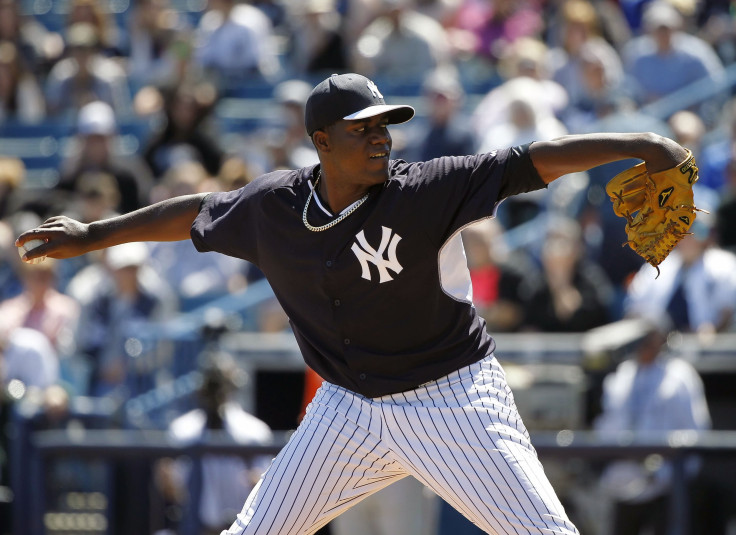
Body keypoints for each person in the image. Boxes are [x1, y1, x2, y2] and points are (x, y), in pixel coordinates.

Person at [16, 72, 694, 535]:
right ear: (321, 143)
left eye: (386, 126)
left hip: (451, 398)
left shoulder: (426, 188)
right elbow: (196, 212)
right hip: (346, 408)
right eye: (363, 128)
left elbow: (529, 160)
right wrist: (97, 233)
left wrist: (641, 144)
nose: (381, 137)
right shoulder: (273, 208)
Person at [594, 321, 712, 535]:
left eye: (651, 336)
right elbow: (607, 427)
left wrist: (670, 475)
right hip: (623, 483)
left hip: (665, 484)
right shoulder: (622, 375)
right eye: (642, 337)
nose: (646, 343)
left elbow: (697, 430)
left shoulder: (680, 375)